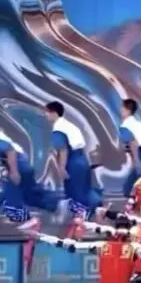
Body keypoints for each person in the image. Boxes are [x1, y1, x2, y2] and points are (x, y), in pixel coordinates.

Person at [0, 113, 61, 231]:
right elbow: (15, 152)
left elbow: (11, 151)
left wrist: (14, 172)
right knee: (30, 195)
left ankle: (30, 220)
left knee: (8, 199)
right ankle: (59, 202)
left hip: (19, 168)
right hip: (24, 167)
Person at [45, 101, 102, 238]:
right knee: (84, 191)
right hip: (82, 160)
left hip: (72, 162)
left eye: (47, 112)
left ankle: (80, 229)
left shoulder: (59, 129)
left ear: (54, 113)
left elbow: (63, 149)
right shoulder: (70, 126)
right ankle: (97, 212)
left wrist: (61, 167)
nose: (45, 114)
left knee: (76, 195)